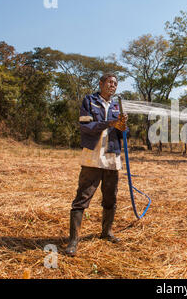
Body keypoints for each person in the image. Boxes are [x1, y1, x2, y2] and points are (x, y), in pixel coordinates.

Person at [65, 73, 128, 256]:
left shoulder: (117, 106)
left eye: (115, 83)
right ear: (100, 83)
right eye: (109, 82)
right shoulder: (89, 101)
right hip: (92, 157)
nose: (112, 86)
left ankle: (106, 232)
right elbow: (86, 126)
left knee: (110, 198)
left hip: (111, 158)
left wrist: (124, 127)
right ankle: (73, 241)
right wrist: (110, 123)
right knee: (82, 199)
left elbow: (125, 133)